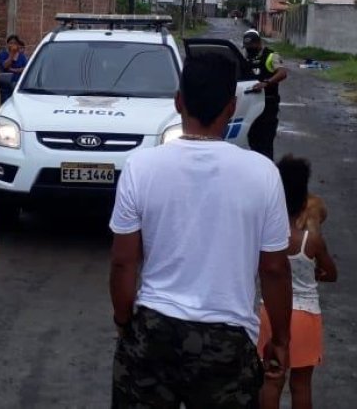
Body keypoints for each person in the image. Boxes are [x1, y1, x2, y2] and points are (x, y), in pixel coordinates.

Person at [109, 52, 293, 408]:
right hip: (228, 343)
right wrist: (281, 339)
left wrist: (123, 321)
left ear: (178, 102)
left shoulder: (141, 167)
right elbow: (274, 268)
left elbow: (122, 263)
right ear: (232, 106)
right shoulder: (263, 173)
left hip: (153, 331)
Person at [259, 157, 338, 409]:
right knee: (301, 385)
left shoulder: (266, 234)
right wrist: (315, 274)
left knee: (271, 381)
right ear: (305, 197)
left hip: (269, 312)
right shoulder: (311, 240)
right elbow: (331, 273)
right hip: (305, 316)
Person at [244, 29, 289, 160]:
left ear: (259, 43)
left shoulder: (271, 56)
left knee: (265, 142)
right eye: (247, 47)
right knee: (252, 140)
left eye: (251, 46)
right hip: (250, 105)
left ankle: (267, 171)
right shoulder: (245, 57)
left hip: (268, 105)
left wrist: (266, 83)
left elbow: (282, 73)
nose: (249, 49)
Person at [0, 34, 28, 105]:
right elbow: (5, 65)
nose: (12, 45)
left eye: (15, 43)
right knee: (6, 105)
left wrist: (11, 70)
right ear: (7, 44)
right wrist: (12, 54)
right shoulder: (3, 54)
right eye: (11, 43)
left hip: (17, 85)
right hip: (6, 87)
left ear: (18, 45)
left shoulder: (22, 56)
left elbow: (25, 69)